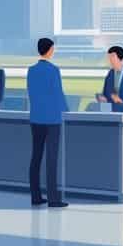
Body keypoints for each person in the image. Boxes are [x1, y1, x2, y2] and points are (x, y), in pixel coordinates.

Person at [27, 37, 69, 208]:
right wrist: (66, 108)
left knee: (36, 156)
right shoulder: (53, 70)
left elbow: (31, 93)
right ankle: (53, 198)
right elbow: (58, 94)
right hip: (52, 119)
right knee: (51, 159)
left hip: (36, 118)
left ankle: (36, 196)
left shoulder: (31, 70)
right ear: (50, 50)